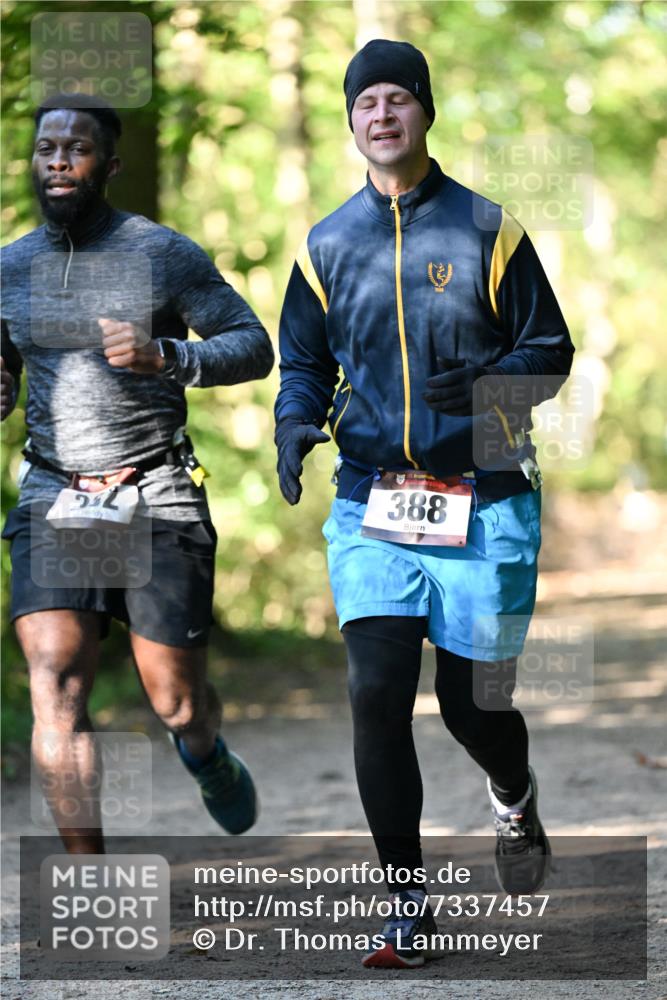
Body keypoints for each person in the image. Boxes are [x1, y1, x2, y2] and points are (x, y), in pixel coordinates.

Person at [275, 40, 574, 969]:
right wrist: (292, 425)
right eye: (366, 102)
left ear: (425, 112)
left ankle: (513, 799)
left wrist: (490, 389)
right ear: (351, 120)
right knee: (374, 692)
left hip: (482, 500)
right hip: (373, 502)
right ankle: (405, 905)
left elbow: (550, 351)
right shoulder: (325, 245)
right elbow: (304, 362)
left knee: (469, 707)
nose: (381, 115)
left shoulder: (489, 230)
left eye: (397, 98)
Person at [1, 94, 274, 854]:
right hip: (57, 491)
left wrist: (171, 356)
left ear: (109, 165)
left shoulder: (162, 253)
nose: (58, 159)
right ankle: (88, 877)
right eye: (46, 147)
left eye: (77, 148)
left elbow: (253, 345)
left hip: (154, 491)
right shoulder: (9, 266)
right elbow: (6, 361)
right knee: (55, 689)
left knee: (175, 701)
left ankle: (204, 751)